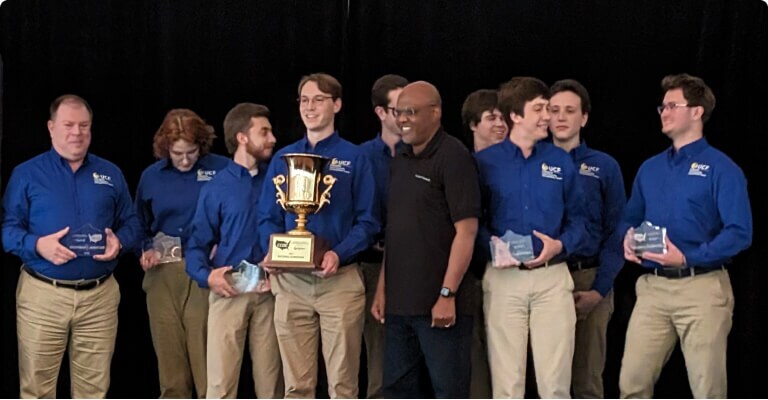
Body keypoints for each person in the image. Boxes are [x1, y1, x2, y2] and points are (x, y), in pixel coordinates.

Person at [618, 73, 752, 399]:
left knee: (707, 389)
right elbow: (630, 217)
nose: (664, 112)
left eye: (672, 105)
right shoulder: (650, 168)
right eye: (662, 106)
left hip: (702, 289)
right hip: (653, 290)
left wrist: (689, 257)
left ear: (696, 112)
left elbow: (740, 232)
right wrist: (626, 237)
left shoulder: (723, 169)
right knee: (631, 384)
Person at [2, 94, 141, 398]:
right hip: (43, 297)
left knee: (93, 391)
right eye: (68, 125)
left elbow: (133, 223)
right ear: (51, 127)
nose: (77, 133)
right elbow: (7, 230)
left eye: (84, 126)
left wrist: (120, 242)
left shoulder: (111, 173)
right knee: (37, 389)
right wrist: (37, 245)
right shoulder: (27, 174)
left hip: (99, 299)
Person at [257, 73, 380, 398]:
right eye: (305, 100)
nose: (310, 107)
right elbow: (267, 216)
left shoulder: (355, 157)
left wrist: (338, 252)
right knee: (297, 386)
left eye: (319, 100)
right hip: (290, 283)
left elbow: (368, 222)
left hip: (339, 281)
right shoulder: (284, 158)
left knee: (342, 384)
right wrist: (273, 250)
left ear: (337, 105)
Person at [475, 77, 588, 398]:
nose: (547, 117)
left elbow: (581, 219)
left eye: (548, 109)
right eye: (539, 109)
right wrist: (492, 247)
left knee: (555, 386)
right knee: (507, 386)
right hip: (503, 280)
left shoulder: (560, 161)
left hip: (552, 279)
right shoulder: (484, 163)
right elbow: (469, 222)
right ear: (515, 116)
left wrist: (561, 245)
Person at [370, 81, 481, 398]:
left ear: (435, 112)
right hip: (399, 305)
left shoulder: (454, 157)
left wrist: (447, 293)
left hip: (441, 307)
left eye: (411, 112)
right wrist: (382, 289)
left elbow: (467, 231)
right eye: (398, 112)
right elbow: (397, 230)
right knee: (396, 389)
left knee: (448, 390)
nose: (402, 119)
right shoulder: (401, 157)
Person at [185, 103, 283, 398]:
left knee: (272, 386)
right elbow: (196, 244)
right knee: (220, 386)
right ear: (242, 137)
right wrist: (207, 277)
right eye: (264, 131)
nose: (272, 138)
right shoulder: (216, 188)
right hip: (230, 290)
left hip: (272, 290)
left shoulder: (279, 181)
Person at [134, 109, 231, 398]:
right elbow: (138, 224)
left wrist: (223, 245)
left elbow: (239, 214)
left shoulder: (223, 169)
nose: (186, 160)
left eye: (191, 152)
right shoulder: (151, 177)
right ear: (166, 149)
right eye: (178, 154)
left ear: (201, 145)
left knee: (207, 362)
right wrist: (144, 248)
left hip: (206, 269)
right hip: (163, 270)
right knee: (170, 362)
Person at [548, 79, 626, 398]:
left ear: (584, 118)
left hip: (588, 278)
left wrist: (599, 289)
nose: (562, 117)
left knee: (586, 381)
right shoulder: (530, 163)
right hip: (544, 278)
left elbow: (618, 229)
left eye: (570, 110)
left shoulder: (603, 166)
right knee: (545, 377)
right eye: (554, 110)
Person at [358, 73, 408, 399]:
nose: (405, 116)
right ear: (380, 112)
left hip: (417, 266)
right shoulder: (359, 157)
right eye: (398, 109)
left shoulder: (425, 153)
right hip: (372, 264)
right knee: (378, 357)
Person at [460, 88, 508, 398]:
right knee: (473, 349)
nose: (501, 124)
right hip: (469, 271)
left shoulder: (517, 164)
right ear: (474, 124)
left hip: (506, 271)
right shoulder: (461, 164)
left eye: (504, 118)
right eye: (492, 118)